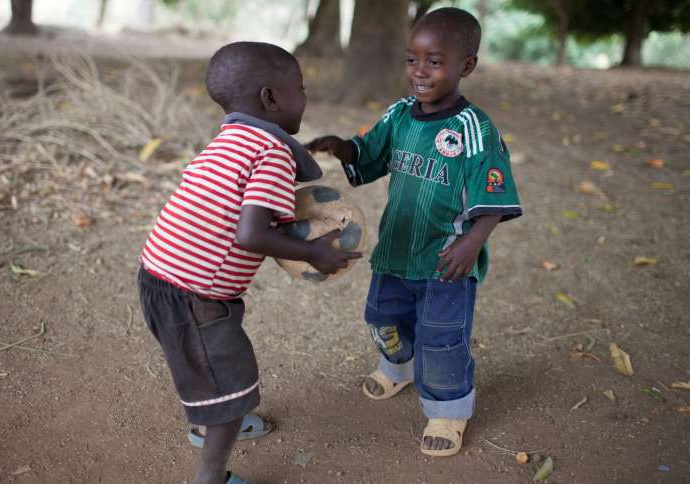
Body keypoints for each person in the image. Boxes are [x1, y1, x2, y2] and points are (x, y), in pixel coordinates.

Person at [138, 41, 361, 484]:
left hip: (161, 276)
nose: (305, 97)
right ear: (271, 98)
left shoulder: (232, 139)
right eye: (300, 87)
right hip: (194, 295)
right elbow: (252, 234)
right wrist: (315, 251)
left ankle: (210, 420)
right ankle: (211, 472)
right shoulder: (272, 153)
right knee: (231, 376)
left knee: (203, 364)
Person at [306, 7, 522, 457]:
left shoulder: (474, 129)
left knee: (441, 337)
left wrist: (473, 241)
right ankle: (398, 367)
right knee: (383, 317)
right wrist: (341, 146)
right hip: (396, 250)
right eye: (412, 59)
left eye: (435, 61)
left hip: (446, 259)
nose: (419, 72)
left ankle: (448, 409)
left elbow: (494, 196)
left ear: (466, 66)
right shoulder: (401, 114)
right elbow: (370, 152)